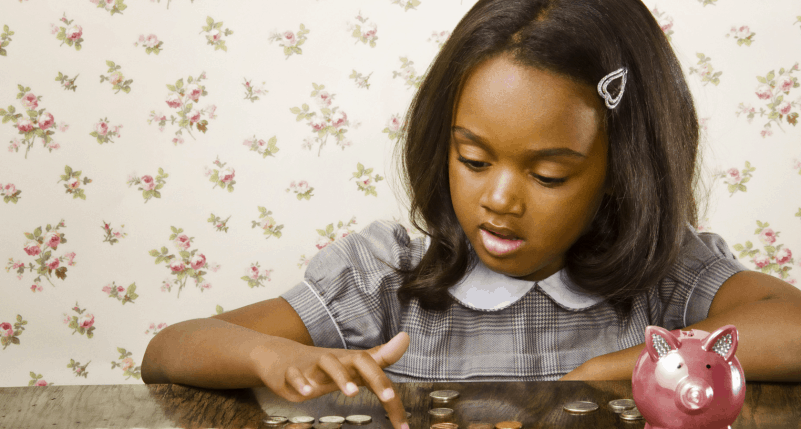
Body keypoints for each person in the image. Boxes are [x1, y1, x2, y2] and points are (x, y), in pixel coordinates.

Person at [141, 1, 801, 428]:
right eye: (474, 159)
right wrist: (269, 354)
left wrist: (610, 369)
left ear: (620, 173)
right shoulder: (381, 277)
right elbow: (168, 350)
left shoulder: (665, 277)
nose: (499, 199)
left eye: (547, 174)